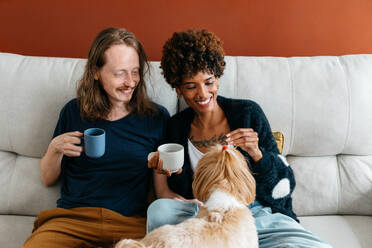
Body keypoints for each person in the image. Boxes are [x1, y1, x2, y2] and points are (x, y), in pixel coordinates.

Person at [147, 29, 332, 248]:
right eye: (191, 86)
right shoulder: (175, 127)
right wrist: (172, 186)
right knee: (159, 210)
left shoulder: (247, 113)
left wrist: (257, 154)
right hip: (200, 216)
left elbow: (284, 184)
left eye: (209, 82)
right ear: (177, 88)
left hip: (252, 214)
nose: (203, 94)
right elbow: (165, 191)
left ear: (217, 77)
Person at [23, 27, 169, 248]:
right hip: (73, 220)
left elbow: (162, 191)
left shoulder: (156, 118)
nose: (130, 82)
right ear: (95, 71)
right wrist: (55, 149)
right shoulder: (73, 112)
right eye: (120, 73)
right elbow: (47, 178)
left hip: (129, 223)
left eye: (135, 71)